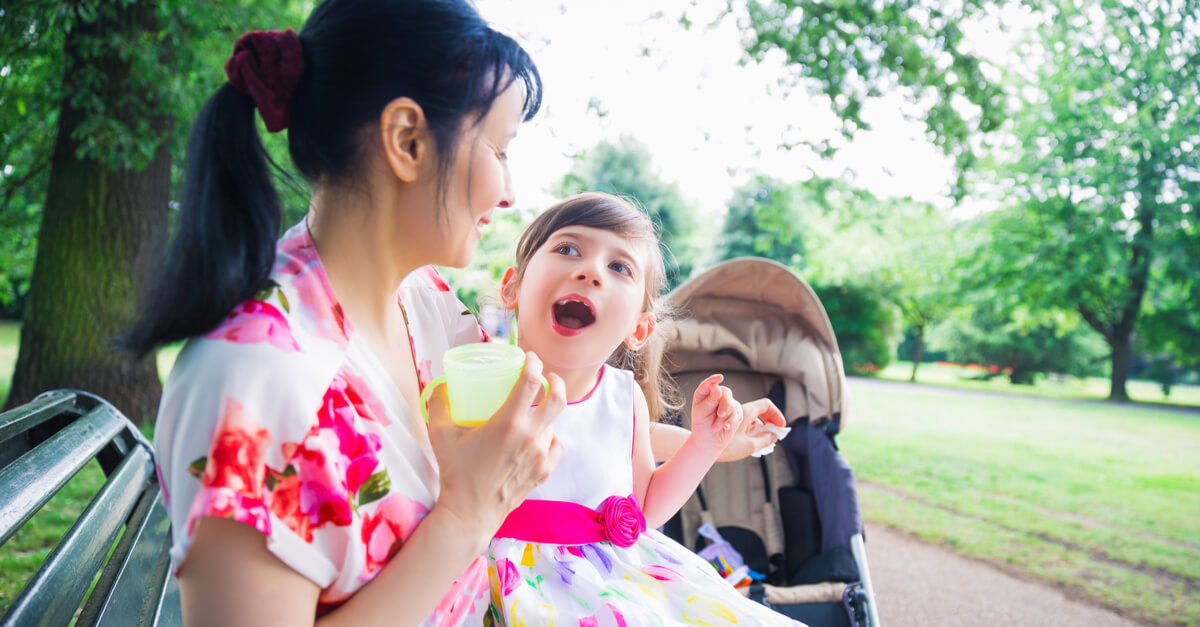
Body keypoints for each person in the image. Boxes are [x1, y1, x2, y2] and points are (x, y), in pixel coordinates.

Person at [122, 1, 567, 624]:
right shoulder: (257, 381)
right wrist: (468, 516)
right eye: (498, 147)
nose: (511, 190)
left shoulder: (420, 298)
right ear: (407, 140)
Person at [483, 192, 804, 625]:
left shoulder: (623, 397)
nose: (590, 271)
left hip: (613, 583)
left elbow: (645, 507)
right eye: (568, 248)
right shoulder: (480, 379)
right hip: (504, 582)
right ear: (512, 287)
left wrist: (707, 444)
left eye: (619, 267)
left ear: (639, 328)